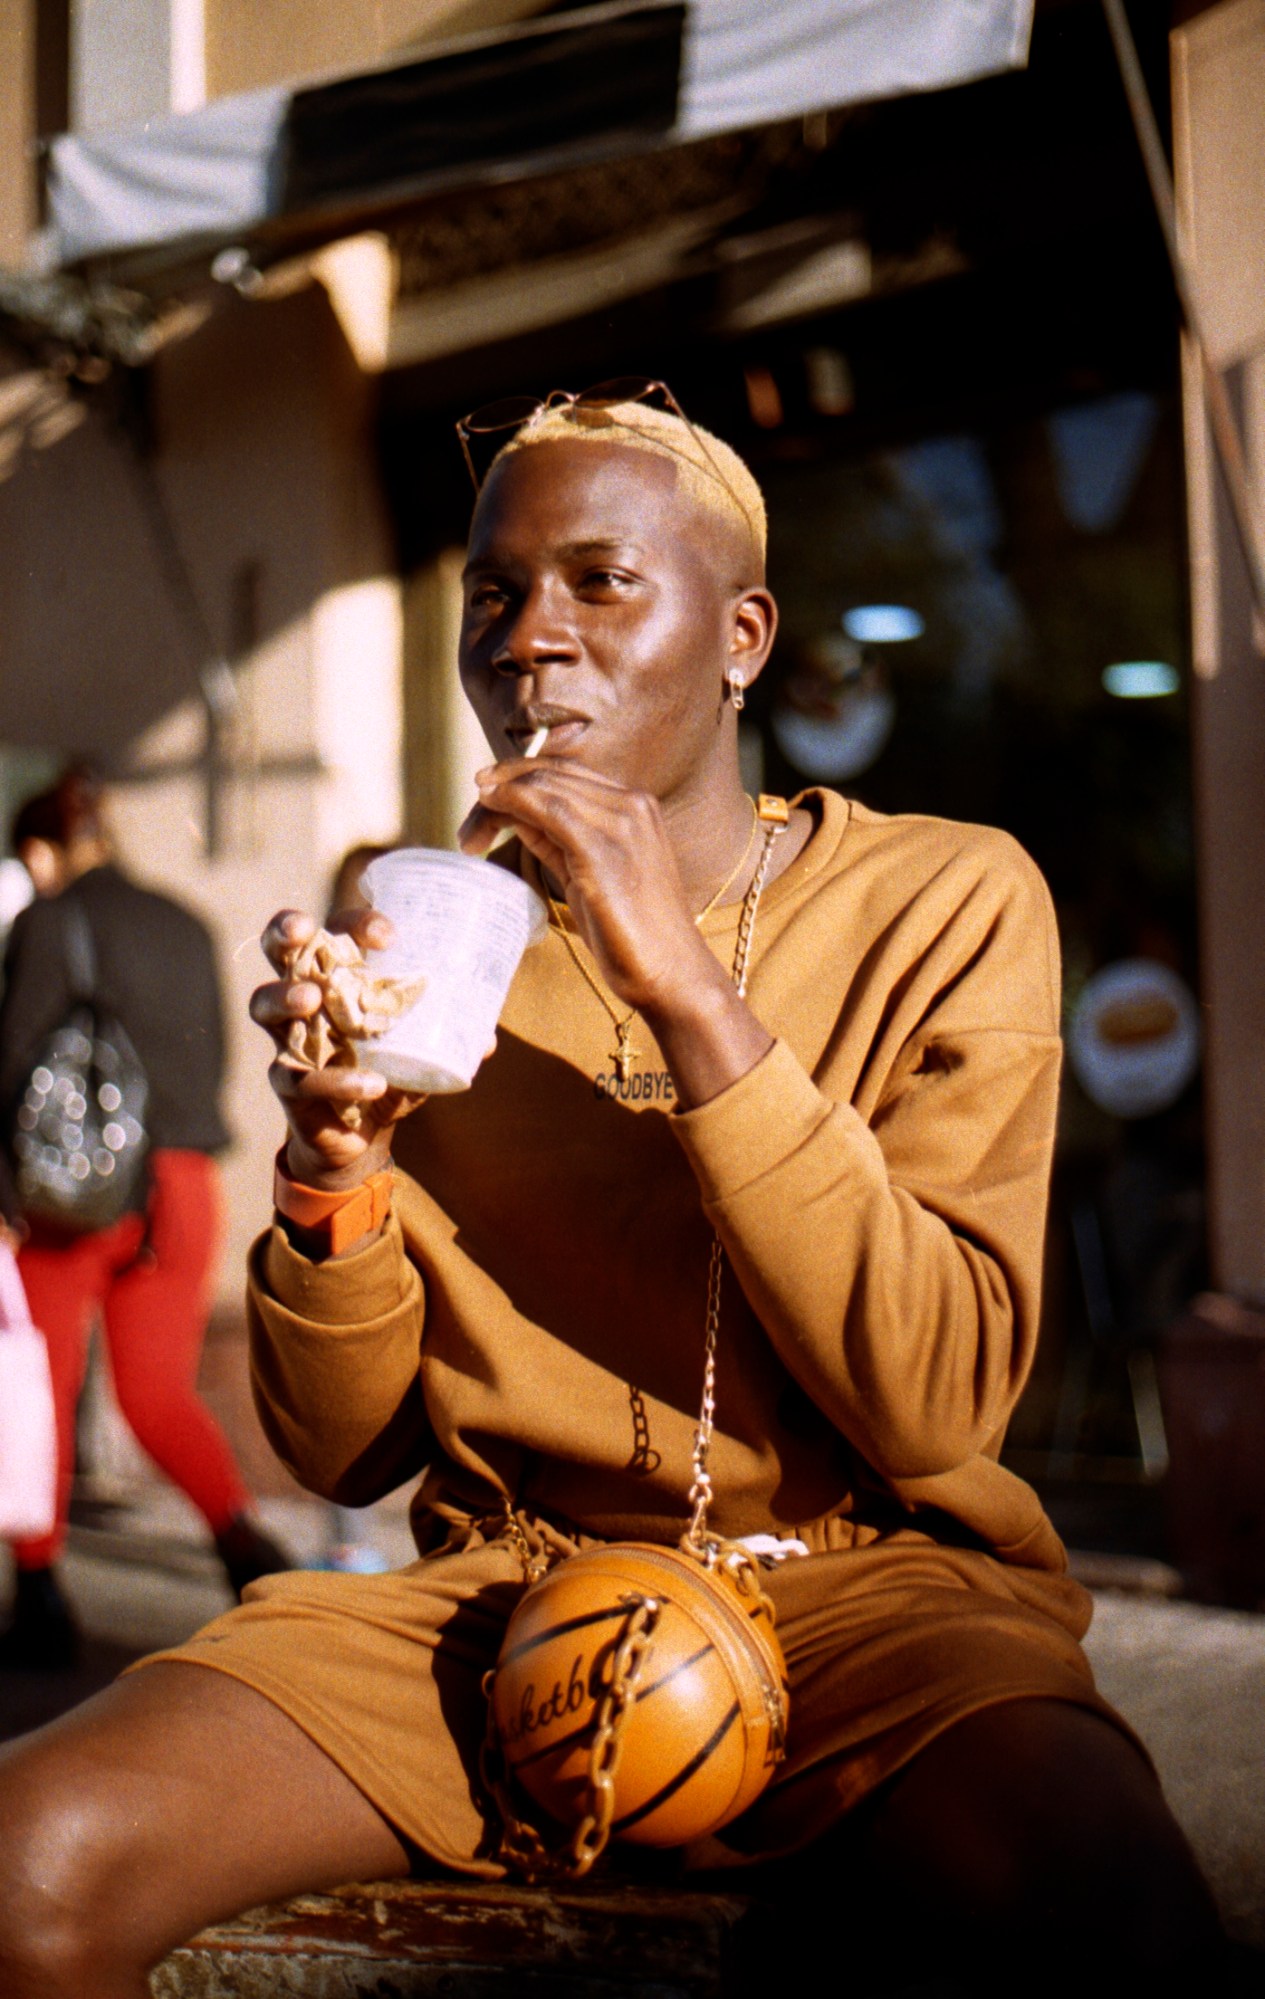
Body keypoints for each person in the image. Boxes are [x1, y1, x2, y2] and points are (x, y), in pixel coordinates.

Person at [0, 395, 1226, 1996]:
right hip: (501, 1589)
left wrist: (691, 995)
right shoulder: (439, 946)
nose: (531, 645)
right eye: (495, 597)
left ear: (742, 634)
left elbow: (934, 1401)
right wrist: (332, 1168)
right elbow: (343, 1449)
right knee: (31, 1858)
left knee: (1118, 1920)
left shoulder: (945, 892)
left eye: (599, 583)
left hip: (871, 1601)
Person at [0, 771, 288, 1669]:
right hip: (182, 1183)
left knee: (41, 1388)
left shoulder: (49, 920)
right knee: (157, 1390)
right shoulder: (189, 922)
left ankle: (42, 1596)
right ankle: (247, 1551)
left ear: (42, 851)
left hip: (72, 1189)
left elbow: (14, 1061)